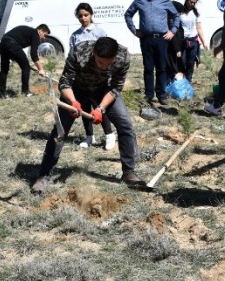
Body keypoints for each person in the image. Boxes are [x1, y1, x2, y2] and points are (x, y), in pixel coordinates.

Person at [32, 37, 144, 192]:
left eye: (108, 63)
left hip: (104, 89)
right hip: (76, 88)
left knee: (125, 124)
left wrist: (100, 109)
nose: (104, 67)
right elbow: (64, 82)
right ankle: (44, 175)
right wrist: (73, 102)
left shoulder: (123, 56)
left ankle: (129, 173)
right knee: (60, 130)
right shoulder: (79, 51)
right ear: (93, 53)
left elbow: (116, 87)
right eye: (100, 62)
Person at [124, 0, 180, 105]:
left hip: (161, 39)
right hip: (146, 39)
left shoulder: (166, 1)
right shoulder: (140, 0)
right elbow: (128, 15)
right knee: (148, 68)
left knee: (161, 68)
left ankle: (161, 94)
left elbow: (176, 16)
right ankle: (149, 95)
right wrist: (134, 30)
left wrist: (173, 31)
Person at [69, 3, 116, 150]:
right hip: (81, 79)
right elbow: (72, 56)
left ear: (91, 14)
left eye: (86, 15)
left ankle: (109, 134)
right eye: (80, 16)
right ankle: (90, 136)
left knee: (98, 106)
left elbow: (107, 52)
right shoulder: (75, 35)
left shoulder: (99, 32)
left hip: (98, 79)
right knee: (84, 107)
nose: (83, 18)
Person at [0, 24, 50, 98]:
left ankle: (2, 93)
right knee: (26, 68)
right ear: (40, 31)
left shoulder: (30, 32)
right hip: (12, 44)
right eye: (45, 35)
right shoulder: (35, 34)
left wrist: (13, 56)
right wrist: (41, 69)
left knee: (4, 70)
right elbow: (34, 55)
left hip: (3, 42)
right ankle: (25, 92)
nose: (44, 38)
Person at [179, 0, 209, 82]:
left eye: (194, 3)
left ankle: (188, 82)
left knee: (190, 64)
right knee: (182, 62)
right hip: (183, 41)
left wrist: (204, 42)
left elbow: (199, 28)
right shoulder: (180, 12)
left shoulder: (196, 13)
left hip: (193, 41)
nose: (192, 4)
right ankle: (181, 81)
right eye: (191, 2)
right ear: (187, 0)